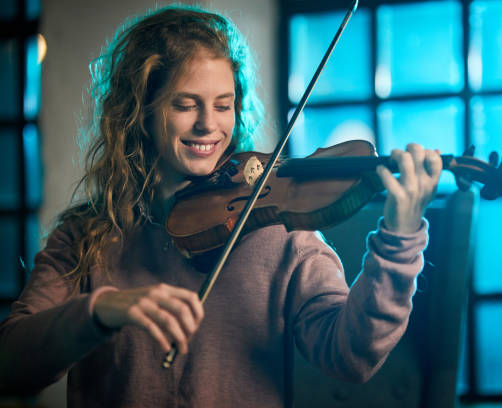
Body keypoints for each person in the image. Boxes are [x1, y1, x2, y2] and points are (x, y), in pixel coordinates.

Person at [0, 4, 442, 407]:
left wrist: (398, 242)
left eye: (223, 105)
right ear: (141, 112)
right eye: (185, 105)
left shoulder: (278, 231)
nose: (208, 125)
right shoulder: (87, 234)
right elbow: (11, 365)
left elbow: (351, 356)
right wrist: (100, 310)